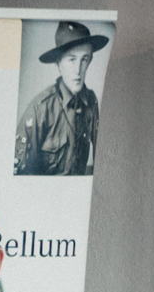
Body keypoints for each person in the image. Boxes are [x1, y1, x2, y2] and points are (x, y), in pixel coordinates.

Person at [13, 21, 103, 176]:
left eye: (84, 59)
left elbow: (102, 159)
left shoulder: (91, 102)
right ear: (59, 63)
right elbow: (22, 176)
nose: (78, 70)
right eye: (72, 59)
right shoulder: (40, 108)